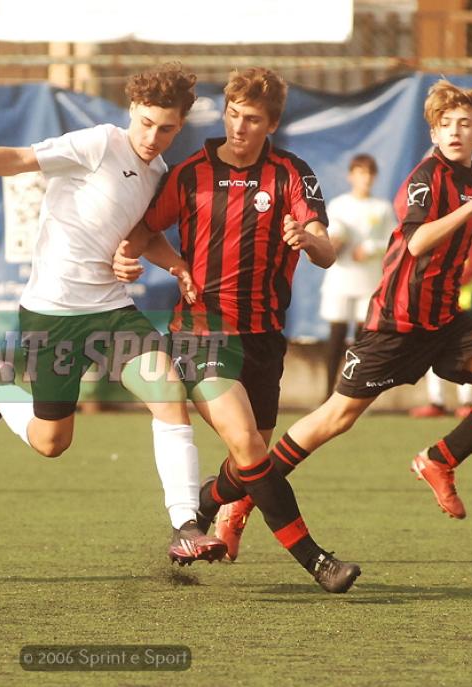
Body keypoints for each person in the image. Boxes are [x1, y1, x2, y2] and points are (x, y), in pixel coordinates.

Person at [0, 63, 228, 565]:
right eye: (147, 123)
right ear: (133, 109)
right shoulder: (99, 143)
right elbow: (22, 158)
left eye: (167, 129)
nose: (153, 137)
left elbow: (145, 235)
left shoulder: (158, 173)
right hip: (52, 315)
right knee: (51, 442)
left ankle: (185, 525)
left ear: (180, 126)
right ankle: (3, 392)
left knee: (168, 393)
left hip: (112, 310)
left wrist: (176, 266)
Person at [217, 79, 472, 530]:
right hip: (397, 323)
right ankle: (242, 502)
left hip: (445, 321)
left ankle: (440, 460)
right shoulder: (426, 179)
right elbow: (416, 243)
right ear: (433, 133)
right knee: (336, 418)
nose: (454, 131)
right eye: (445, 123)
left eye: (464, 124)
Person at [114, 67, 361, 593]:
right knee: (248, 445)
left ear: (271, 124)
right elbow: (142, 232)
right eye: (232, 114)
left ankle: (203, 507)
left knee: (250, 461)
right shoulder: (189, 174)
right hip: (201, 332)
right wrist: (136, 257)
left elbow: (326, 250)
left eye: (251, 119)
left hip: (265, 337)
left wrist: (307, 239)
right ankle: (318, 561)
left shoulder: (291, 173)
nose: (239, 126)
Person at [320, 153, 395, 396]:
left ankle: (354, 392)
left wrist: (370, 249)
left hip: (368, 283)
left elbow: (394, 241)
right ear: (351, 176)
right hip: (340, 281)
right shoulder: (338, 205)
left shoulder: (382, 207)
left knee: (362, 342)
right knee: (336, 337)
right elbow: (331, 232)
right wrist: (336, 239)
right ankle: (328, 394)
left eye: (370, 173)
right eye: (361, 172)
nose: (366, 178)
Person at [411, 237, 472, 418]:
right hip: (433, 304)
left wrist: (447, 283)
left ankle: (466, 402)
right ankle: (436, 402)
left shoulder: (467, 233)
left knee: (462, 352)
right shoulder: (433, 233)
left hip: (460, 304)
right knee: (431, 351)